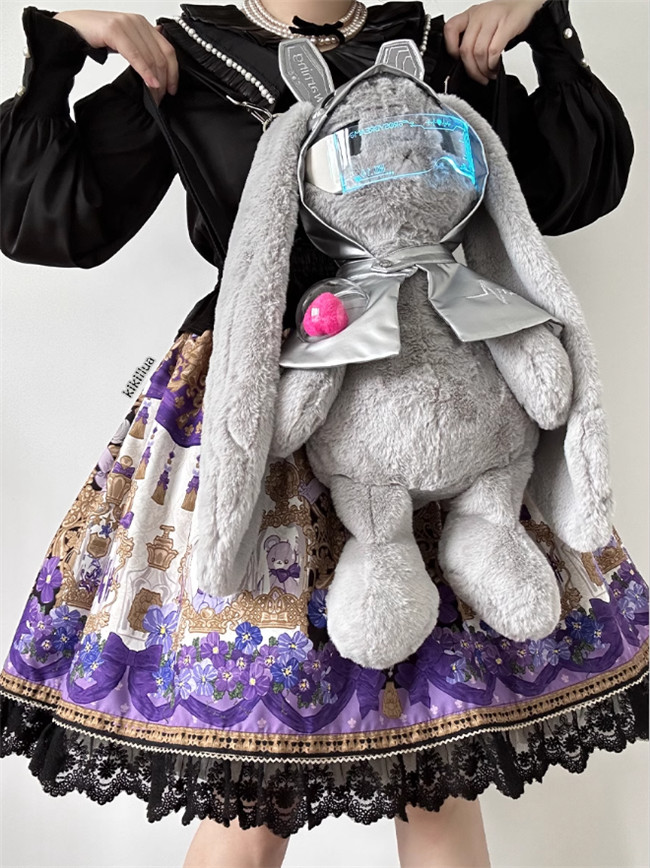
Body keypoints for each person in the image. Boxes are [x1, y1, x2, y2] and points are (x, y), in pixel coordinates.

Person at [0, 2, 647, 868]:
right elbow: (44, 219)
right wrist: (61, 52)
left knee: (438, 775)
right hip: (260, 424)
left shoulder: (433, 48)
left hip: (434, 420)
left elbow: (568, 192)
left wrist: (545, 31)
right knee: (254, 792)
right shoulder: (188, 55)